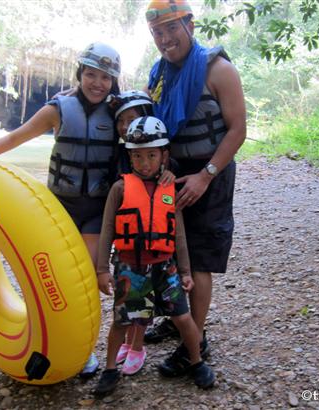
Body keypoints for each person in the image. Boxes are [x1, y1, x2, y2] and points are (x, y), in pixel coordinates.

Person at [0, 41, 123, 379]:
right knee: (55, 279)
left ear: (113, 82)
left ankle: (84, 350)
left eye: (105, 78)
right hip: (58, 207)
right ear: (80, 74)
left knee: (85, 278)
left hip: (96, 209)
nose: (97, 83)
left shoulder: (116, 111)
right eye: (91, 74)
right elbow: (16, 138)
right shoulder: (58, 109)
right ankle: (54, 341)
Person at [143, 0, 247, 377]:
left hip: (210, 173)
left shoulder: (219, 70)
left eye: (172, 28)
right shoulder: (158, 76)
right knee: (168, 252)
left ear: (189, 24)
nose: (165, 38)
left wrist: (206, 175)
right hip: (172, 174)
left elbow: (238, 130)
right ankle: (177, 319)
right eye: (158, 32)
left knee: (199, 258)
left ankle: (195, 342)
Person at [93, 116, 215, 396]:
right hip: (130, 269)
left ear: (164, 156)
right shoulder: (120, 189)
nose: (144, 162)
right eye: (137, 156)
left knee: (184, 319)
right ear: (130, 157)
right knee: (122, 322)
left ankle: (196, 361)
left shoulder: (169, 189)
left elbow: (179, 234)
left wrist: (185, 271)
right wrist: (102, 270)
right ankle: (110, 369)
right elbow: (108, 231)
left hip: (166, 270)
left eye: (151, 155)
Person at [107, 90, 175, 375]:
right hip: (129, 254)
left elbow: (172, 214)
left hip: (155, 256)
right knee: (130, 304)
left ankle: (137, 346)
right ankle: (125, 346)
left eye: (131, 119)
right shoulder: (123, 167)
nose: (124, 125)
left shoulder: (161, 171)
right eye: (120, 120)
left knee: (143, 306)